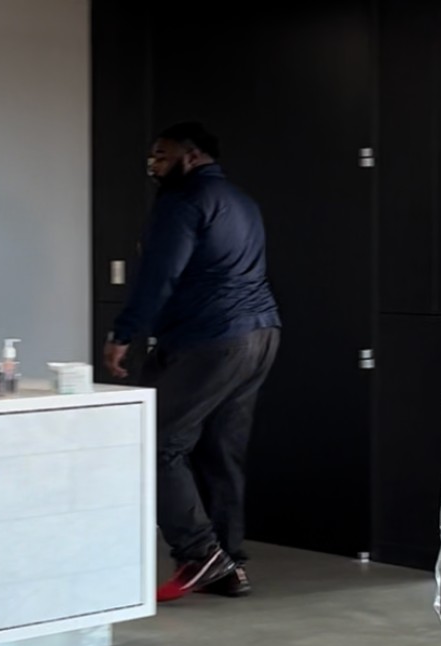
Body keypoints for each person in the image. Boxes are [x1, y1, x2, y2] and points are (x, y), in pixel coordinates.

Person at [104, 121, 282, 602]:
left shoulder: (182, 203)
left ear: (193, 155)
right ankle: (227, 564)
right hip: (260, 335)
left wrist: (124, 332)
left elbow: (160, 273)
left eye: (162, 156)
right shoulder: (242, 201)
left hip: (213, 339)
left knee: (157, 442)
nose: (154, 166)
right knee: (221, 449)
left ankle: (199, 554)